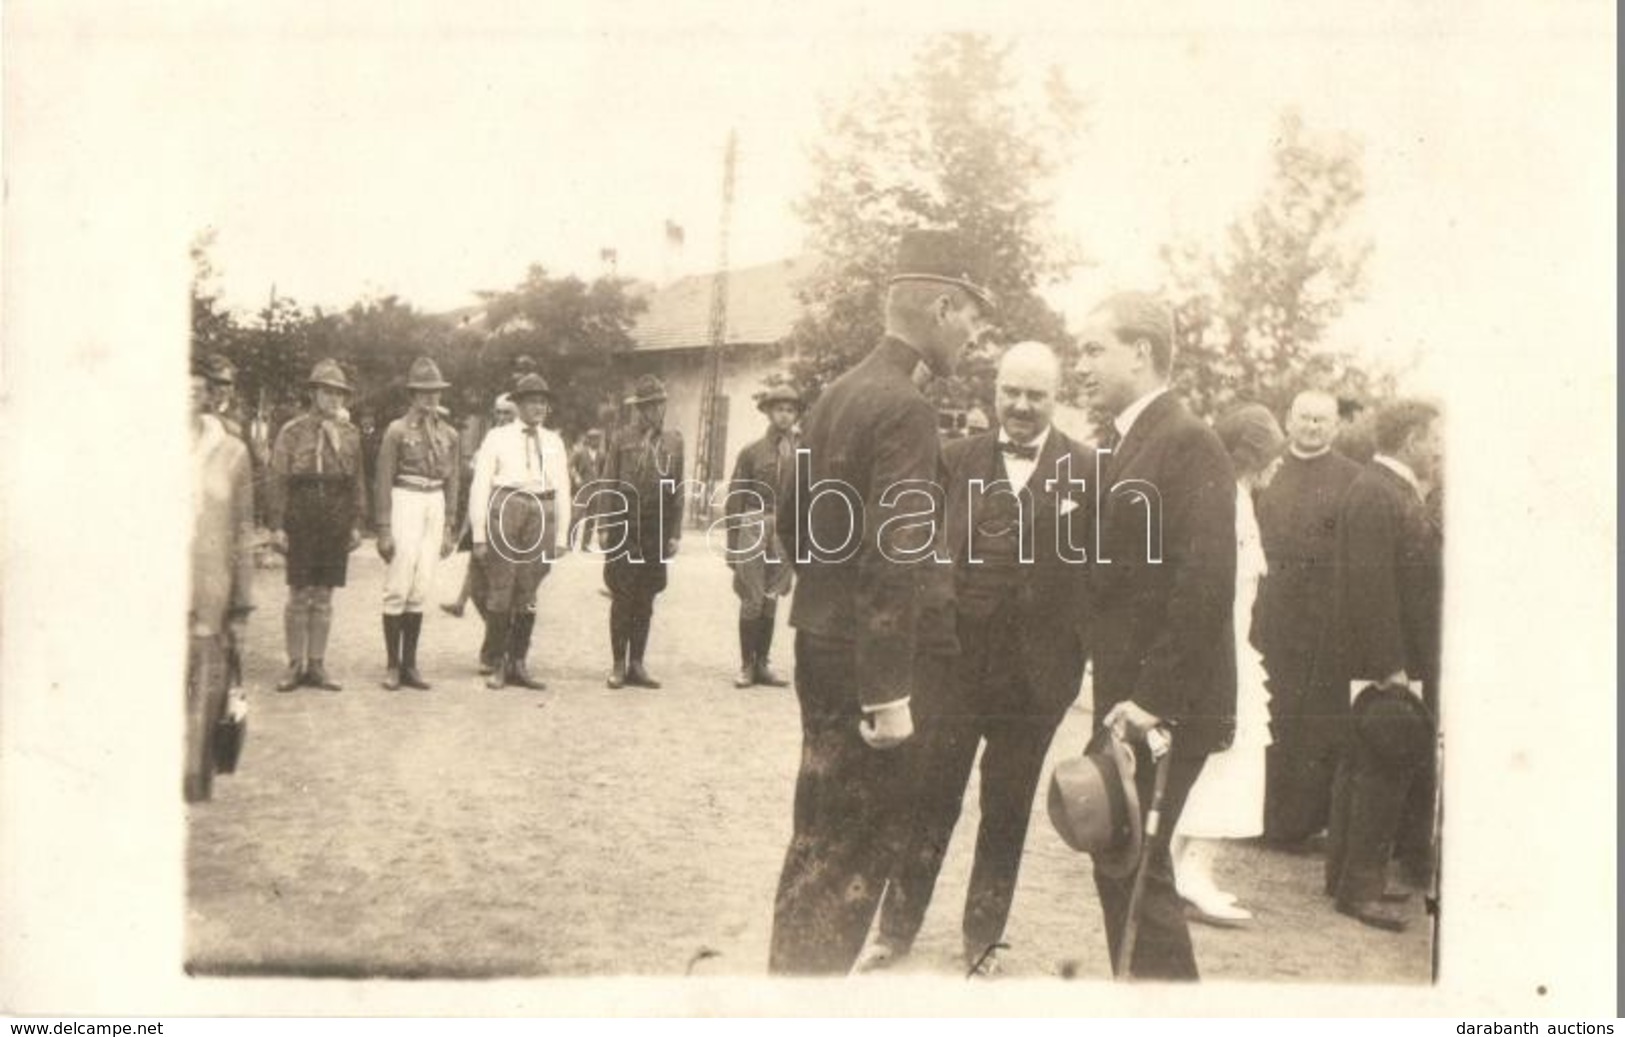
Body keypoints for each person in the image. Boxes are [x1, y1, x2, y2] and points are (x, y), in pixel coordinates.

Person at [768, 228, 995, 975]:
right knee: (855, 855)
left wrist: (827, 604)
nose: (973, 333)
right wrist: (889, 691)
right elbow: (895, 555)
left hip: (820, 643)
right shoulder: (904, 408)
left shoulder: (836, 392)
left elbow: (794, 522)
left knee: (816, 842)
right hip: (871, 667)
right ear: (940, 305)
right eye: (971, 316)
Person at [864, 340, 1090, 975]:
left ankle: (983, 940)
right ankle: (894, 929)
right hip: (953, 667)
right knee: (930, 797)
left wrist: (1076, 656)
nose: (1021, 405)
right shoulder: (952, 460)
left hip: (1035, 680)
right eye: (1011, 392)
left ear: (1056, 397)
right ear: (995, 392)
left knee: (1008, 809)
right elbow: (915, 556)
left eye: (1036, 394)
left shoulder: (1090, 472)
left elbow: (1102, 580)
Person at [1073, 290, 1237, 980]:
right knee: (1119, 858)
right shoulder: (1130, 439)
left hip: (1162, 705)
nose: (1078, 364)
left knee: (1134, 867)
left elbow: (1204, 582)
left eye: (1091, 348)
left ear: (1139, 352)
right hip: (1132, 698)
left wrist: (1149, 699)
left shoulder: (1186, 441)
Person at [1323, 399, 1443, 933]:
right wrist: (1390, 666)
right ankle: (1360, 888)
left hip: (1384, 656)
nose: (1439, 448)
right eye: (1434, 437)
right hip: (1385, 661)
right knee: (1380, 768)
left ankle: (1347, 877)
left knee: (1362, 765)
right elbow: (1371, 586)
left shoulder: (1381, 488)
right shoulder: (1378, 492)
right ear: (1412, 437)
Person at [1171, 403, 1285, 925]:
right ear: (1255, 457)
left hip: (1233, 649)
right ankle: (1190, 875)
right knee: (1228, 762)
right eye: (1273, 456)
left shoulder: (1239, 500)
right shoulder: (1231, 505)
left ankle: (1189, 870)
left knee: (1225, 762)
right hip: (1223, 656)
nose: (1278, 467)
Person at [1254, 390, 1364, 848]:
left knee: (1309, 721)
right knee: (1266, 712)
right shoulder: (1267, 469)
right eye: (1305, 418)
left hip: (1318, 622)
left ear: (1335, 427)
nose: (1312, 427)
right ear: (1289, 420)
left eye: (1322, 420)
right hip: (1267, 615)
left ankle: (1294, 823)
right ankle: (1255, 815)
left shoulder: (1352, 479)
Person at [266, 360, 368, 692]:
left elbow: (356, 481)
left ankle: (318, 664)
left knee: (324, 593)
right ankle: (295, 664)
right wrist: (277, 525)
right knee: (299, 592)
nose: (334, 399)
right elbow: (278, 480)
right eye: (327, 392)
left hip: (335, 513)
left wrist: (356, 522)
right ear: (313, 394)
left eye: (339, 394)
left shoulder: (350, 435)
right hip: (302, 511)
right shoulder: (292, 431)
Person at [470, 374, 572, 690]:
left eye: (543, 402)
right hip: (507, 506)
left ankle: (519, 662)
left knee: (528, 591)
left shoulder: (554, 441)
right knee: (502, 587)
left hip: (541, 511)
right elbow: (480, 485)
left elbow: (563, 488)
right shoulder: (497, 438)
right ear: (519, 405)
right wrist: (478, 533)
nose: (538, 407)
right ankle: (498, 663)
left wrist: (562, 535)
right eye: (532, 401)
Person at [187, 359, 255, 803]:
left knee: (203, 697)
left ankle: (192, 781)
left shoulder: (232, 452)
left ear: (210, 394)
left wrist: (241, 603)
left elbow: (242, 532)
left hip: (210, 591)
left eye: (197, 388)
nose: (188, 395)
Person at [374, 356, 461, 690]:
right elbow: (383, 481)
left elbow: (453, 481)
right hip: (406, 500)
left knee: (422, 583)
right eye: (424, 393)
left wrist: (450, 525)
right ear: (411, 395)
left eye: (436, 393)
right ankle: (392, 665)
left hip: (434, 503)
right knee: (398, 581)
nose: (431, 399)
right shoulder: (397, 431)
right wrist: (383, 528)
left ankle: (410, 664)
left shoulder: (449, 434)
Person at [598, 375, 684, 689]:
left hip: (656, 527)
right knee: (622, 596)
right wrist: (605, 524)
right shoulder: (621, 439)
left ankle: (637, 663)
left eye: (659, 404)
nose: (654, 411)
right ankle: (619, 663)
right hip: (624, 523)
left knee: (646, 597)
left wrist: (674, 533)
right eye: (647, 406)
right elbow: (609, 482)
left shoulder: (675, 441)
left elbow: (677, 490)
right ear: (638, 409)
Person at [723, 385, 801, 689]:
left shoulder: (801, 452)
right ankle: (746, 665)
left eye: (791, 410)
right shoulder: (752, 451)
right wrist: (733, 544)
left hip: (784, 527)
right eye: (780, 409)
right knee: (752, 597)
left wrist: (800, 541)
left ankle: (763, 663)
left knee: (772, 597)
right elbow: (736, 497)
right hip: (754, 520)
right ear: (769, 412)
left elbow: (804, 498)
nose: (785, 415)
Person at [444, 393, 516, 623]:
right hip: (482, 514)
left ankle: (503, 637)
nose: (502, 417)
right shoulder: (490, 439)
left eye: (508, 413)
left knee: (503, 584)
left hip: (508, 518)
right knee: (477, 578)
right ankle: (497, 633)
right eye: (499, 412)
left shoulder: (521, 443)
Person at [568, 428, 605, 550]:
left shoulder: (601, 454)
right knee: (576, 516)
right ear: (588, 440)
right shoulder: (580, 452)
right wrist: (576, 476)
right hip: (582, 488)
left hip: (596, 489)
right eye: (593, 438)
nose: (596, 441)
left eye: (598, 439)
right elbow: (570, 466)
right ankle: (570, 542)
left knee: (591, 517)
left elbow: (605, 470)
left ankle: (585, 544)